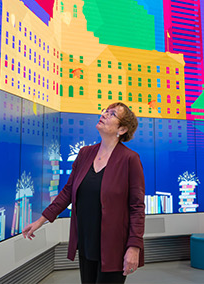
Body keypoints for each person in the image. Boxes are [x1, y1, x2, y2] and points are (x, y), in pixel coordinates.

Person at [21, 102, 147, 283]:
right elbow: (68, 191)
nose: (104, 114)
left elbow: (136, 207)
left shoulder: (130, 159)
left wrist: (134, 247)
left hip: (114, 246)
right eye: (105, 111)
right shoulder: (85, 153)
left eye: (111, 114)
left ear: (122, 129)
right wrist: (41, 220)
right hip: (86, 242)